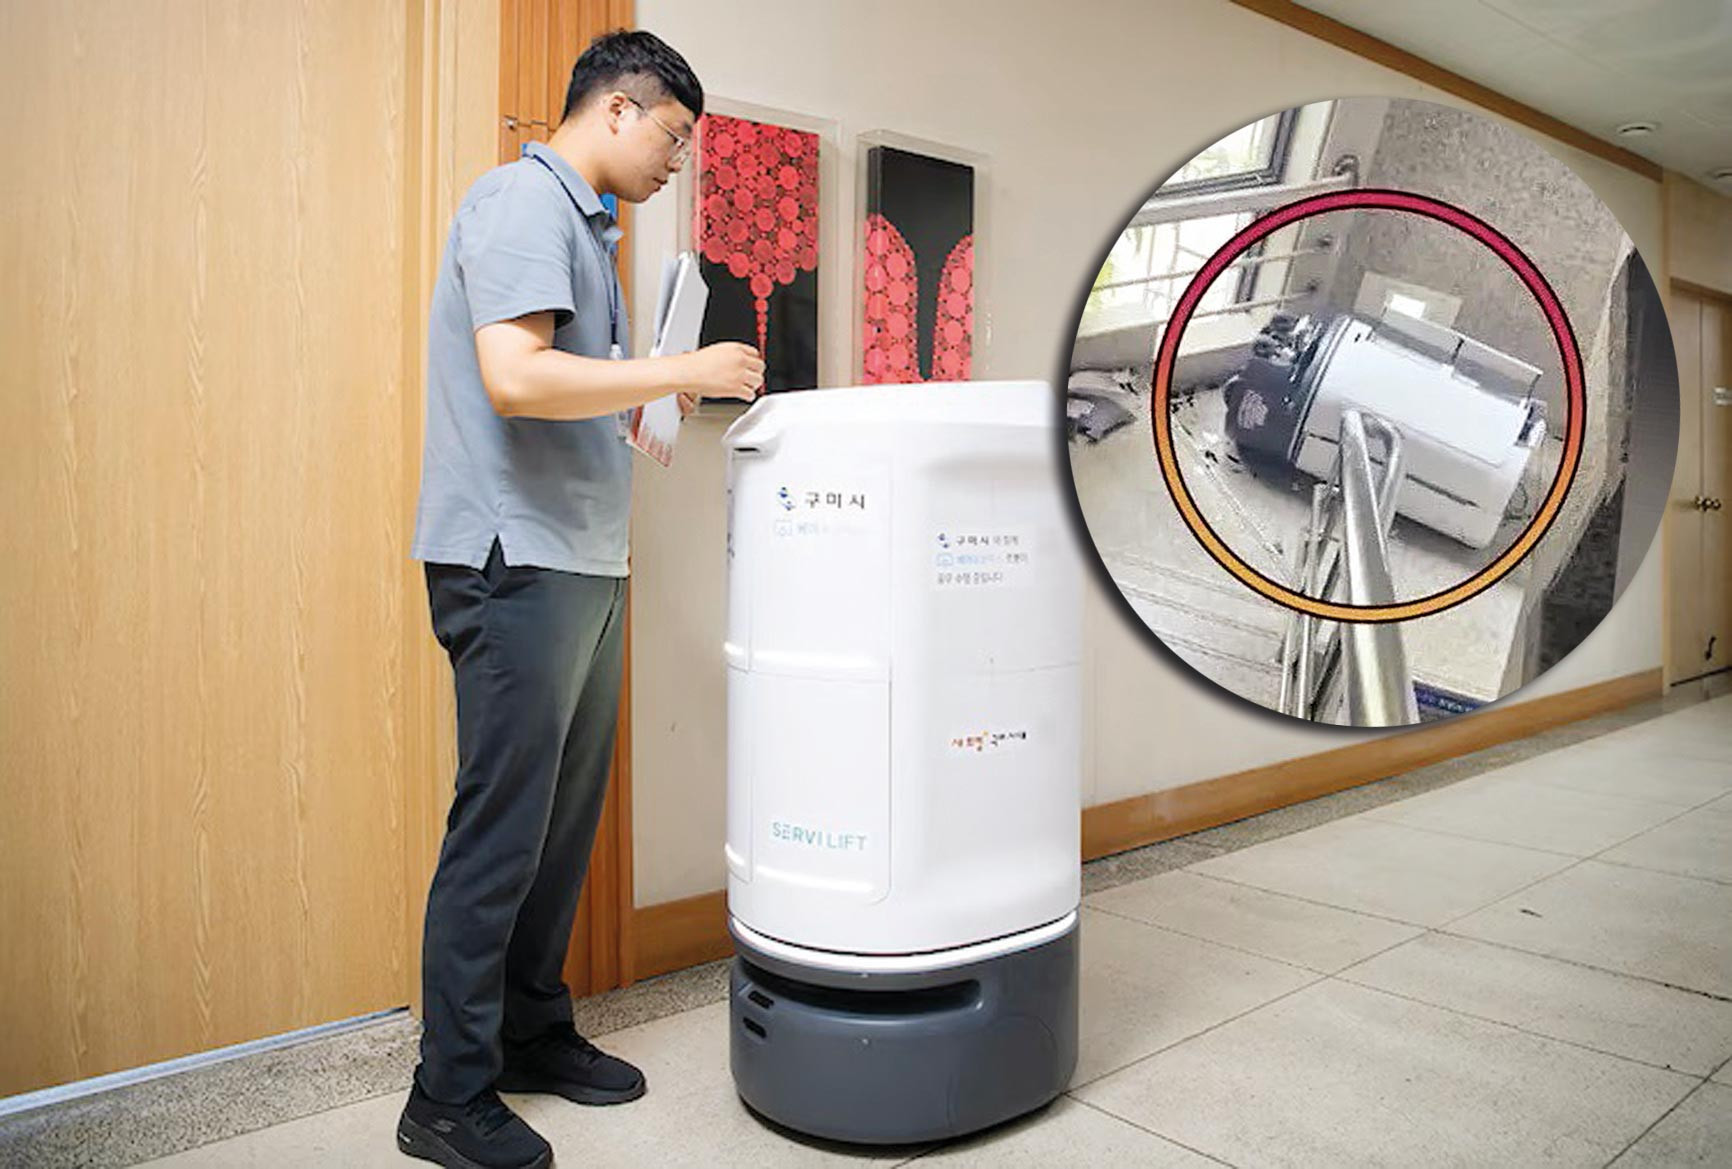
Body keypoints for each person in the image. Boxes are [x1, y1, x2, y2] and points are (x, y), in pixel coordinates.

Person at [398, 29, 762, 1169]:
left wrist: (639, 403)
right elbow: (513, 376)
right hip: (514, 557)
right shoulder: (521, 202)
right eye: (672, 137)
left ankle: (528, 1030)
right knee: (502, 827)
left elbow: (562, 384)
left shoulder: (588, 230)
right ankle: (446, 1094)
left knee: (558, 829)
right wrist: (681, 371)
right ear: (616, 108)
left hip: (578, 557)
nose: (677, 161)